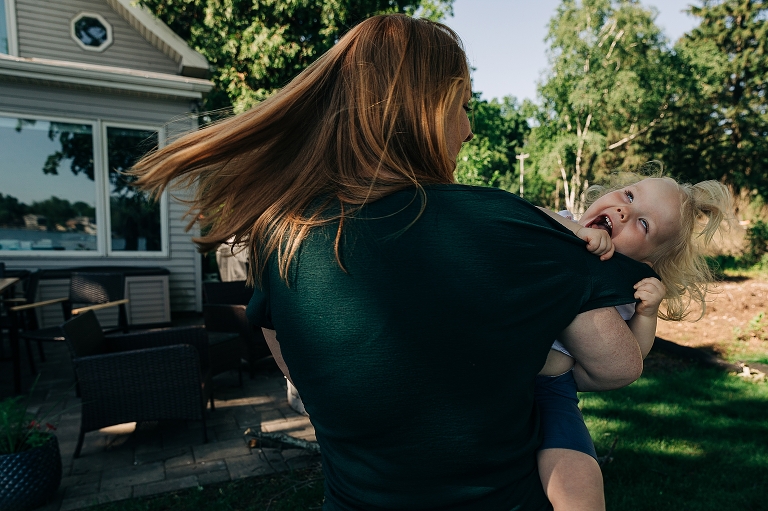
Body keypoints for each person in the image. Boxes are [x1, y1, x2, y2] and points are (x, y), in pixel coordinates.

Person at [129, 14, 657, 510]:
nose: (469, 130)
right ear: (428, 108)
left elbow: (271, 329)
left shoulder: (284, 233)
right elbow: (617, 365)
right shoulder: (510, 224)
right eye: (465, 106)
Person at [535, 170, 732, 511]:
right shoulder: (562, 223)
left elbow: (631, 358)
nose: (626, 212)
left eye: (644, 225)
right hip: (502, 370)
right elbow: (528, 213)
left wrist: (646, 314)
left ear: (648, 261)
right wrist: (576, 232)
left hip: (554, 390)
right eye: (628, 196)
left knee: (579, 477)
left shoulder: (625, 286)